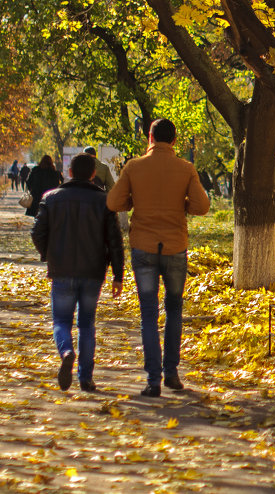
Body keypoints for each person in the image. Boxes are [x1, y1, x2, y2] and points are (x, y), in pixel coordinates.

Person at [107, 118, 210, 397]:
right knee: (175, 309)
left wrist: (134, 201)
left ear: (149, 138)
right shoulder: (186, 169)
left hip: (144, 249)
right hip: (175, 247)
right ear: (174, 141)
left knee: (149, 313)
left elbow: (113, 203)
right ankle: (172, 373)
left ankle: (153, 380)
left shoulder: (134, 167)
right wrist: (182, 204)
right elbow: (201, 206)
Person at [32, 153, 124, 393]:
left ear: (69, 172)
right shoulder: (104, 201)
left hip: (61, 270)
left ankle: (66, 351)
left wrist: (48, 254)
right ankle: (86, 378)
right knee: (87, 324)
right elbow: (114, 240)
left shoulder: (51, 198)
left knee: (61, 321)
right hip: (92, 272)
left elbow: (37, 233)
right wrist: (118, 275)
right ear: (94, 174)